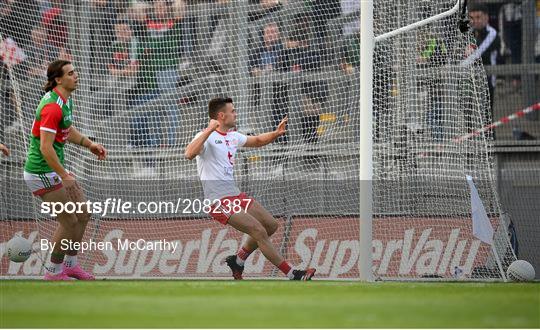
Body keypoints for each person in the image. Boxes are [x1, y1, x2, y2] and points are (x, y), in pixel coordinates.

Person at [184, 97, 316, 281]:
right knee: (258, 231)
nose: (235, 114)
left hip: (235, 195)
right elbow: (189, 153)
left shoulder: (233, 136)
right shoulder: (205, 136)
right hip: (218, 200)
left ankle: (238, 261)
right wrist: (208, 129)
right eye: (232, 111)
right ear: (221, 116)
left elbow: (258, 140)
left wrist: (276, 133)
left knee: (271, 225)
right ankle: (293, 273)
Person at [23, 60, 107, 280]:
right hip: (41, 171)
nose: (75, 75)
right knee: (69, 221)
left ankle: (70, 265)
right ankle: (53, 271)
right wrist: (64, 175)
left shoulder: (63, 101)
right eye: (70, 73)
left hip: (53, 169)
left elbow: (67, 131)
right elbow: (45, 147)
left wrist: (90, 144)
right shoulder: (51, 107)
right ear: (58, 80)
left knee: (83, 214)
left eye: (75, 72)